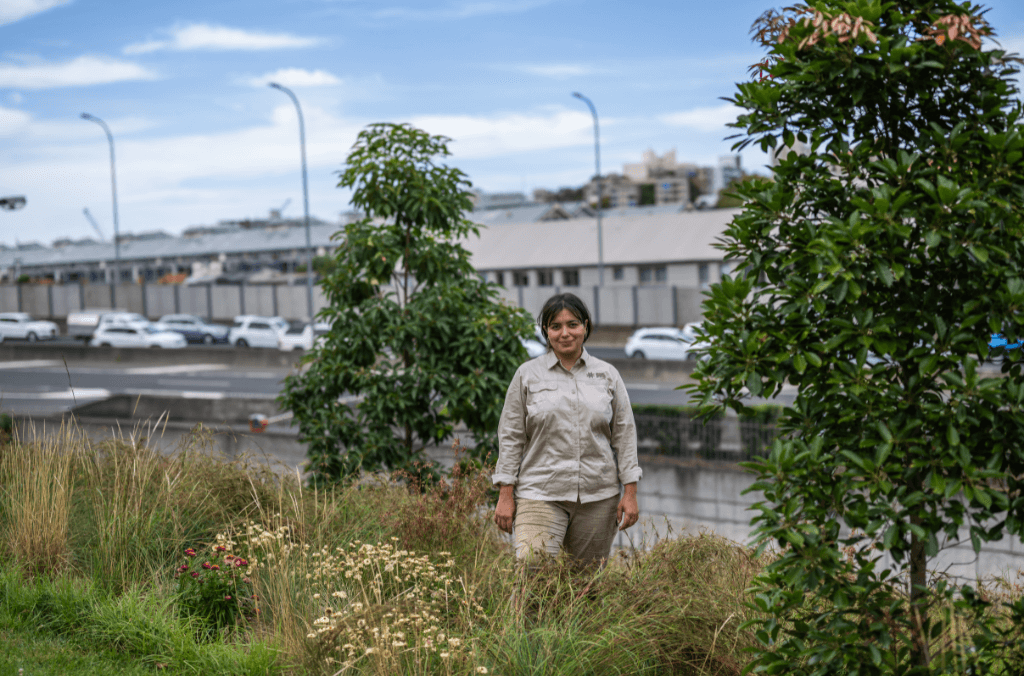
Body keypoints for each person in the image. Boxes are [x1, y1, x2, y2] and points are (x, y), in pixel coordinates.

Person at [493, 292, 642, 566]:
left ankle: (573, 611)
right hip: (540, 492)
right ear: (546, 332)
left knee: (586, 583)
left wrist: (630, 493)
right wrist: (505, 493)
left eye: (573, 324)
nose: (565, 333)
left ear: (585, 326)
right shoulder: (527, 375)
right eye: (556, 326)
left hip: (599, 496)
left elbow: (625, 434)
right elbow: (511, 436)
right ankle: (527, 612)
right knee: (532, 567)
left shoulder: (607, 375)